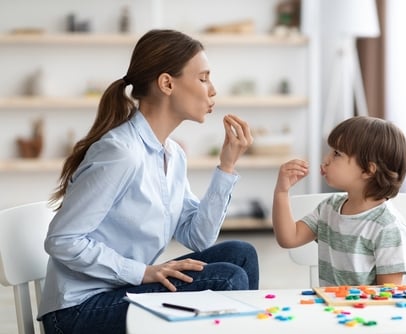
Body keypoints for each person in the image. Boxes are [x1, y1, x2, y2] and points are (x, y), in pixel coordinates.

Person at [38, 29, 259, 334]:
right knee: (226, 278)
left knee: (241, 255)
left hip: (121, 292)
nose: (213, 90)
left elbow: (198, 237)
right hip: (78, 311)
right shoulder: (120, 153)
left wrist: (227, 165)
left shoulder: (173, 155)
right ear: (167, 83)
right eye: (204, 78)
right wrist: (142, 272)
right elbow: (62, 241)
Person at [272, 116, 406, 287]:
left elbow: (389, 294)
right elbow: (289, 238)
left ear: (368, 170)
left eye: (337, 154)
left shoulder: (388, 227)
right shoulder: (329, 208)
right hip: (329, 309)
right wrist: (281, 191)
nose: (326, 159)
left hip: (366, 313)